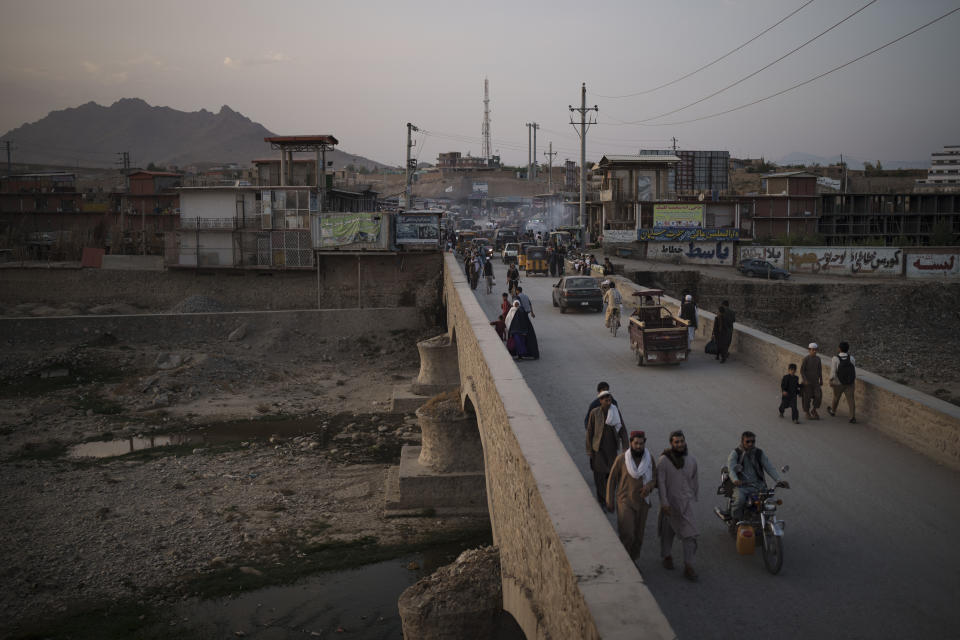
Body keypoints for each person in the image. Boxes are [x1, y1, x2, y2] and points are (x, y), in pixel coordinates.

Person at [606, 430, 656, 564]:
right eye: (636, 444)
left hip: (643, 503)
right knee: (627, 534)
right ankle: (625, 562)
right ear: (631, 443)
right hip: (625, 501)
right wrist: (609, 499)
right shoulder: (622, 459)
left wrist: (649, 487)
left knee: (638, 537)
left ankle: (633, 561)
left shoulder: (649, 459)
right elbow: (611, 480)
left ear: (644, 443)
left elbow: (655, 478)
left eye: (641, 444)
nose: (638, 446)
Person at [657, 430, 700, 581]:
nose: (680, 444)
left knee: (690, 535)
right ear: (671, 443)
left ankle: (689, 565)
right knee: (668, 532)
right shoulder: (664, 460)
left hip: (686, 504)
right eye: (676, 442)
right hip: (670, 504)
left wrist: (693, 498)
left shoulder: (691, 460)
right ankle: (667, 556)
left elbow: (694, 481)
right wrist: (664, 502)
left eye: (681, 441)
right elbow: (661, 482)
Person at [725, 431, 788, 524]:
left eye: (753, 441)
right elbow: (731, 469)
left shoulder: (759, 453)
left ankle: (763, 520)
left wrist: (779, 480)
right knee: (739, 500)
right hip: (742, 486)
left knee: (768, 502)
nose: (750, 444)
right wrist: (735, 480)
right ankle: (735, 521)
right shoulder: (735, 453)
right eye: (748, 441)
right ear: (742, 442)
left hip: (758, 485)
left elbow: (769, 467)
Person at [586, 391, 629, 510]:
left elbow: (622, 430)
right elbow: (589, 432)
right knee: (599, 476)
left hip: (611, 450)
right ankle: (602, 501)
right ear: (600, 401)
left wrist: (626, 446)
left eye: (609, 398)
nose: (607, 400)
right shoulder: (595, 413)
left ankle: (609, 499)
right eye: (605, 398)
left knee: (611, 475)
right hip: (598, 450)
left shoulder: (615, 412)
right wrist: (589, 450)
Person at [826, 341, 857, 423]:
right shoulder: (852, 358)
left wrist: (830, 380)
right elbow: (853, 370)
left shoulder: (835, 358)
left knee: (836, 397)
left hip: (838, 382)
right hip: (850, 383)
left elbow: (833, 372)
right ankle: (852, 417)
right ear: (848, 349)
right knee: (851, 400)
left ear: (839, 349)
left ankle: (833, 411)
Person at [800, 342, 823, 420]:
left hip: (816, 382)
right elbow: (802, 371)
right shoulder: (806, 359)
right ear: (809, 350)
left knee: (818, 396)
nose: (814, 351)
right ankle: (807, 412)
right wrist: (805, 380)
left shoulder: (818, 359)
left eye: (815, 350)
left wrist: (821, 379)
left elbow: (820, 370)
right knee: (807, 397)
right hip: (808, 382)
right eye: (813, 350)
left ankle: (814, 410)